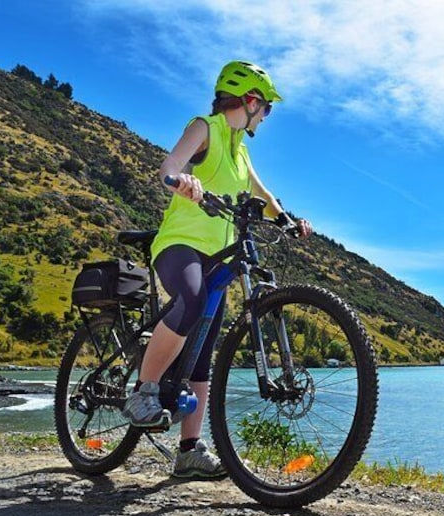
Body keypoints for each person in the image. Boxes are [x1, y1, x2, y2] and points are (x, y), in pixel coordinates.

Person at [121, 61, 312, 479]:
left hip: (218, 257)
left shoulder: (242, 151)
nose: (266, 116)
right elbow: (169, 166)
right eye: (266, 108)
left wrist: (288, 222)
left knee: (203, 352)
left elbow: (263, 197)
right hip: (180, 246)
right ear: (248, 101)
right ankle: (144, 392)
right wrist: (182, 183)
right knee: (189, 302)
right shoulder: (204, 127)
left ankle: (189, 449)